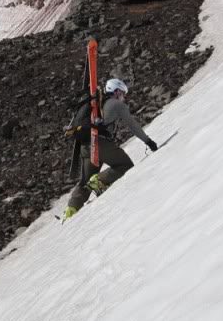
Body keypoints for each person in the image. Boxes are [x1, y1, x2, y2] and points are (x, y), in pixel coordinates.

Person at [63, 78, 157, 220]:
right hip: (100, 144)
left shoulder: (96, 104)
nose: (123, 97)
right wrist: (148, 141)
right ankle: (100, 180)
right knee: (125, 165)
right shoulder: (116, 104)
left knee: (84, 182)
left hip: (85, 145)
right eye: (123, 93)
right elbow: (132, 124)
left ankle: (71, 210)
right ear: (117, 90)